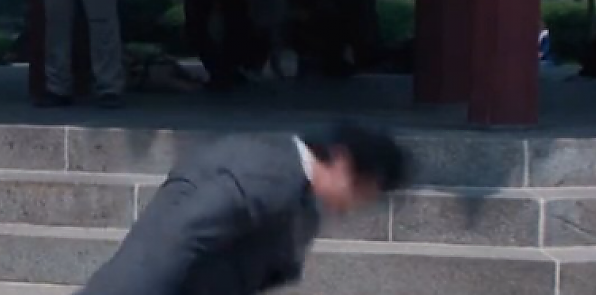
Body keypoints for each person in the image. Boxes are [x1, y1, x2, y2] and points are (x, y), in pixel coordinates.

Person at [76, 120, 409, 295]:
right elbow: (178, 237)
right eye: (365, 193)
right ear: (343, 162)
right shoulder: (269, 175)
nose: (355, 207)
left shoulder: (292, 188)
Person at [246, 0, 290, 80]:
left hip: (276, 20)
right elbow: (254, 2)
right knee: (265, 44)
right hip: (262, 21)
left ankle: (273, 66)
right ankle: (257, 67)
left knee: (275, 43)